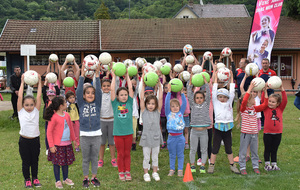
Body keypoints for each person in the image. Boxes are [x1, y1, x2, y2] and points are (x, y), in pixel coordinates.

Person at [208, 65, 240, 174]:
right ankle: (211, 165)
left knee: (228, 147)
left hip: (228, 127)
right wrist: (215, 78)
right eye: (220, 96)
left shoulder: (229, 102)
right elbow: (214, 91)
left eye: (224, 97)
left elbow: (231, 90)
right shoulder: (216, 102)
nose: (222, 99)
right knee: (215, 147)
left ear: (227, 98)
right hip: (218, 127)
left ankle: (232, 165)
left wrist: (231, 77)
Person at [76, 65, 102, 188]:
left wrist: (97, 75)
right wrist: (82, 75)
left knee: (94, 158)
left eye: (92, 93)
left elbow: (99, 91)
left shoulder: (97, 103)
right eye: (88, 93)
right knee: (86, 158)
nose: (90, 95)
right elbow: (78, 90)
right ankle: (85, 178)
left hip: (96, 134)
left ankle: (94, 177)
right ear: (84, 95)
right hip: (85, 135)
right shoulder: (81, 104)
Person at [44, 96, 78, 188]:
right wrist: (51, 146)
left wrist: (74, 140)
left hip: (67, 144)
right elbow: (49, 132)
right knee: (56, 163)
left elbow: (71, 128)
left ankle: (65, 178)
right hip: (57, 145)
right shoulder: (54, 117)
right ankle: (57, 180)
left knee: (65, 162)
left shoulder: (67, 115)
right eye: (64, 102)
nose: (66, 104)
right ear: (60, 106)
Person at [237, 81, 268, 175]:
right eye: (252, 97)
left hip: (254, 134)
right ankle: (242, 167)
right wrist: (249, 88)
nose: (254, 98)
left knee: (255, 151)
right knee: (242, 151)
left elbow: (265, 105)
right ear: (248, 100)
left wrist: (265, 92)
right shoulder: (243, 109)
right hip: (245, 134)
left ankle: (255, 166)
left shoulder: (255, 108)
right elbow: (244, 100)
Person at [17, 73, 42, 188]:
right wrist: (22, 82)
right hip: (24, 141)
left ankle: (35, 178)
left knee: (35, 161)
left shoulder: (36, 111)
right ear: (22, 105)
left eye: (31, 104)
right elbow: (20, 97)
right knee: (26, 162)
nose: (29, 107)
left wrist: (40, 83)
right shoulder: (21, 112)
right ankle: (27, 179)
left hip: (35, 140)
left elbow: (38, 96)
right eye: (26, 105)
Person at [111, 68, 134, 181]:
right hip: (118, 133)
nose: (124, 96)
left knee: (127, 153)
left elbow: (130, 88)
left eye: (125, 94)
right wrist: (114, 77)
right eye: (121, 95)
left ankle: (127, 171)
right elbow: (112, 90)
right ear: (118, 96)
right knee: (120, 154)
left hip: (129, 133)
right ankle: (121, 172)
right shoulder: (115, 104)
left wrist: (127, 76)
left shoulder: (129, 102)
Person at [139, 74, 163, 182]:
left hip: (156, 137)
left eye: (153, 104)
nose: (150, 105)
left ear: (156, 105)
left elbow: (161, 98)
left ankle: (154, 172)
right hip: (146, 137)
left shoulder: (157, 111)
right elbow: (141, 97)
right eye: (148, 103)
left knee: (155, 156)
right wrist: (143, 85)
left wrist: (160, 86)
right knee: (146, 157)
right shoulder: (144, 111)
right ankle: (145, 173)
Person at [187, 73, 211, 174]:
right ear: (194, 99)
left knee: (204, 149)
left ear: (204, 99)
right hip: (194, 132)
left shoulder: (206, 104)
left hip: (204, 131)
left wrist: (206, 83)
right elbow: (189, 94)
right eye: (197, 98)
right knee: (193, 149)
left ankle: (203, 166)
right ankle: (192, 165)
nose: (199, 99)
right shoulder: (192, 105)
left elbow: (209, 94)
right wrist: (190, 83)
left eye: (201, 97)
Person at [261, 85, 287, 171]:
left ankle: (274, 164)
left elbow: (285, 100)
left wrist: (282, 89)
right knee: (267, 149)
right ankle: (267, 164)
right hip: (267, 133)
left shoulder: (280, 109)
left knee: (274, 149)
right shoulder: (266, 108)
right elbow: (263, 101)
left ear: (278, 103)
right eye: (270, 101)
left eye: (273, 102)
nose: (270, 103)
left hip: (278, 133)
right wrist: (264, 91)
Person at [165, 83, 187, 177]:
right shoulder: (168, 113)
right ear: (170, 108)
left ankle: (180, 170)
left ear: (179, 107)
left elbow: (185, 103)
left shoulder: (181, 113)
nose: (175, 108)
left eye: (176, 106)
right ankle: (172, 169)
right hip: (171, 138)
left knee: (180, 154)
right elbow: (166, 103)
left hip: (180, 137)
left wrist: (182, 93)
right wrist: (169, 92)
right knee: (172, 154)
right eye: (173, 106)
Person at [98, 79, 117, 168]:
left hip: (112, 121)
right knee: (102, 142)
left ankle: (113, 159)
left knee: (111, 142)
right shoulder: (99, 95)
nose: (106, 87)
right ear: (101, 87)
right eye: (104, 86)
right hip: (102, 120)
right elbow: (96, 83)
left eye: (108, 86)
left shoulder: (113, 94)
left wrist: (113, 75)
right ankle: (100, 159)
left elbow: (115, 85)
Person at [42, 77, 60, 155]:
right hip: (48, 120)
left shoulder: (56, 102)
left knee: (55, 133)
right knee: (48, 134)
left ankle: (56, 146)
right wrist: (45, 84)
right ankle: (47, 148)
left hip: (55, 120)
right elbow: (43, 92)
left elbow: (58, 92)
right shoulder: (46, 101)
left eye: (52, 96)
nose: (50, 97)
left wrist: (56, 85)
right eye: (49, 96)